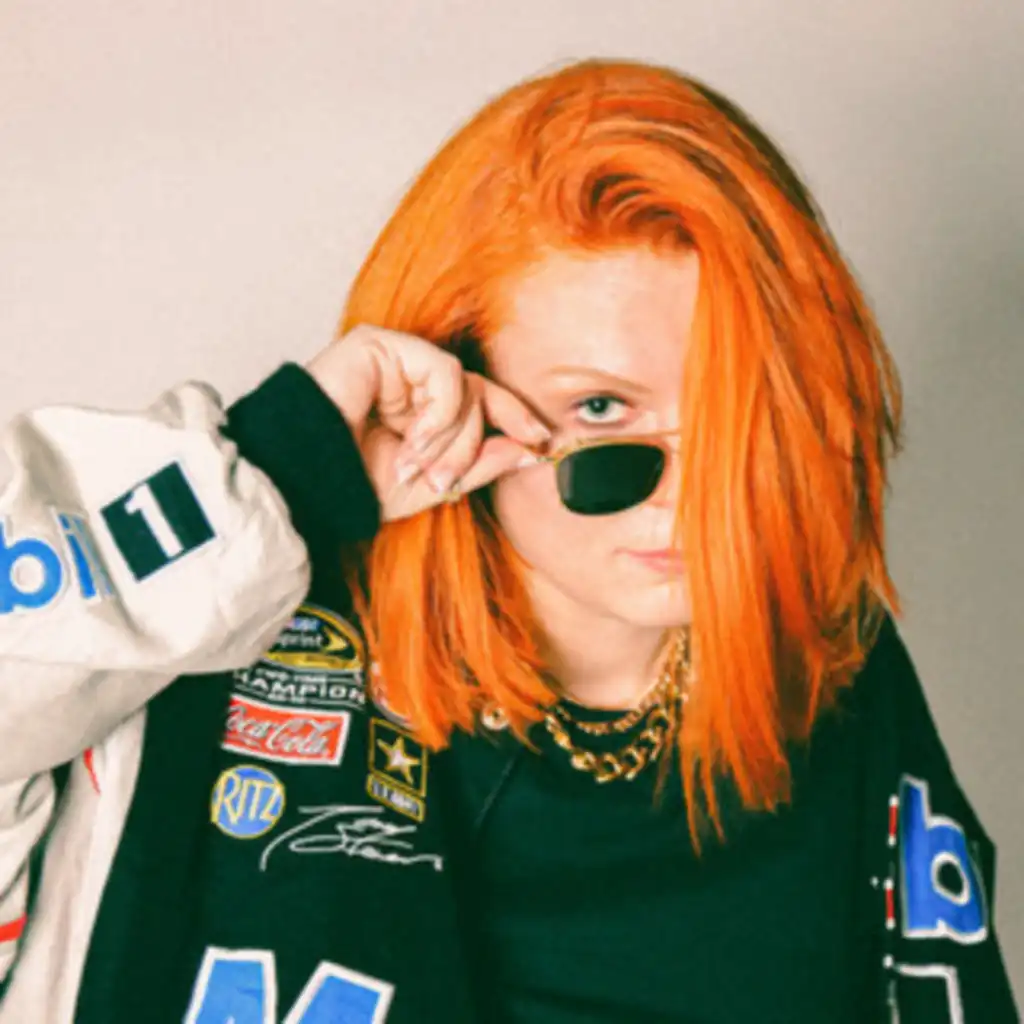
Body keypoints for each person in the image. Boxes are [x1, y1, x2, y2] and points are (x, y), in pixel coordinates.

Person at [0, 57, 1017, 1024]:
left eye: (739, 413)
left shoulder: (829, 663)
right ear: (456, 381)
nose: (692, 500)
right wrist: (278, 471)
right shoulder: (224, 649)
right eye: (603, 411)